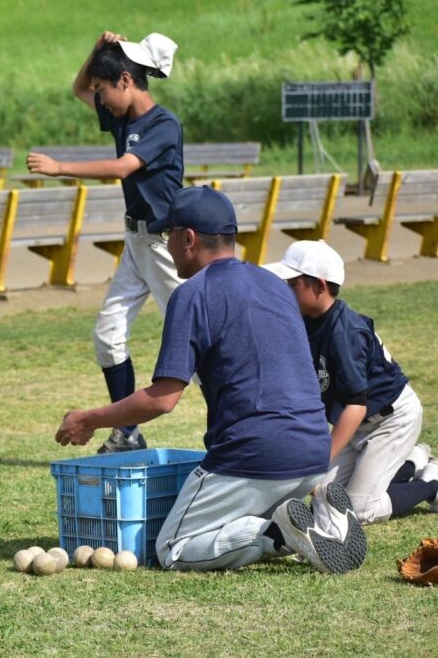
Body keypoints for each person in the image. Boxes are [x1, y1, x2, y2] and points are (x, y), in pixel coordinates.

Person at [53, 186, 367, 574]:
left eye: (169, 236)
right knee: (232, 515)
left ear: (189, 239)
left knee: (173, 547)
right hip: (314, 453)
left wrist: (89, 418)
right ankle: (322, 517)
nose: (166, 247)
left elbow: (162, 399)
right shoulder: (277, 287)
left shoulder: (193, 295)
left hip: (256, 455)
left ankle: (278, 535)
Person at [27, 31, 184, 454]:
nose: (98, 97)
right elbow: (78, 86)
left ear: (127, 81)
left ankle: (237, 427)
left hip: (169, 250)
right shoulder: (120, 116)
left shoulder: (163, 124)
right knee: (108, 334)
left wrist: (60, 167)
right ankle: (128, 433)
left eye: (104, 89)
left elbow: (121, 168)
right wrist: (96, 49)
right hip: (136, 242)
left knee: (200, 345)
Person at [264, 240, 438, 522]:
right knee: (320, 494)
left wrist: (320, 461)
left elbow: (357, 404)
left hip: (390, 420)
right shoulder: (307, 319)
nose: (285, 290)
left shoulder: (345, 332)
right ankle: (411, 463)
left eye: (292, 284)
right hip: (354, 422)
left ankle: (432, 483)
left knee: (357, 510)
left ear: (320, 286)